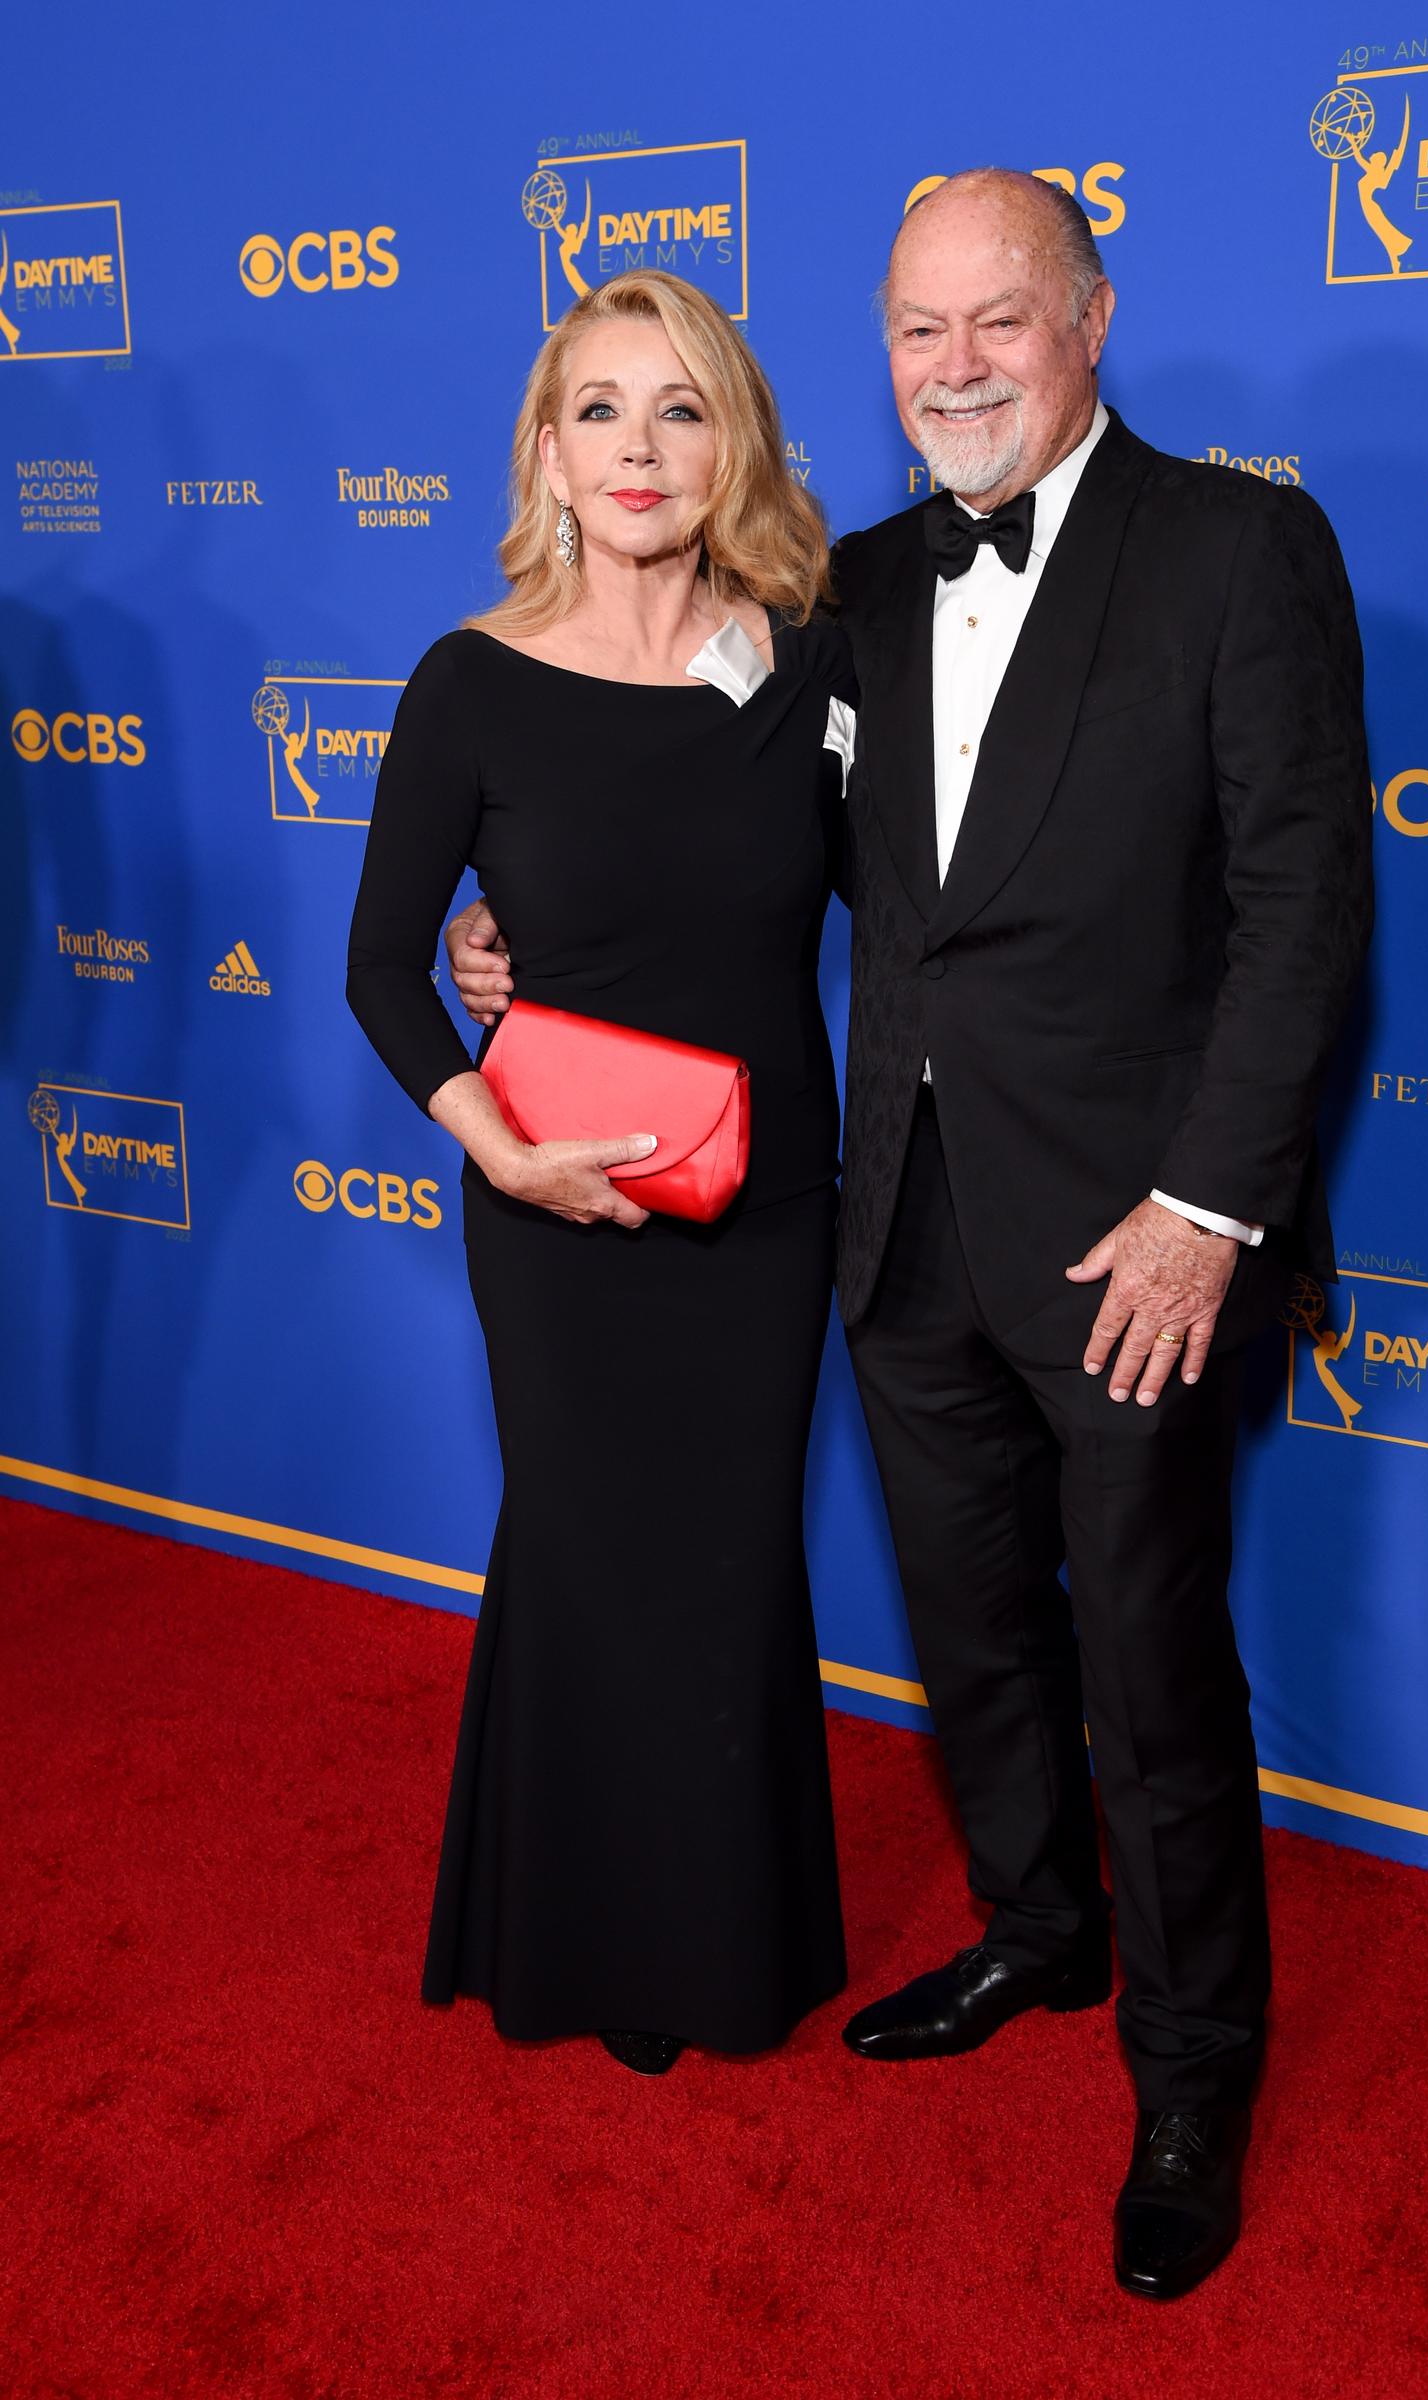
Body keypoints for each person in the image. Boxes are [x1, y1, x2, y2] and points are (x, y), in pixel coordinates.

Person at [448, 171, 1374, 2295]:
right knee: (973, 1644)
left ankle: (1190, 2075)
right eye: (913, 333)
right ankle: (1038, 1942)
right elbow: (682, 832)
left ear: (1091, 318)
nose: (952, 369)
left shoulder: (1241, 550)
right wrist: (520, 941)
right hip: (894, 1232)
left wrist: (1206, 1210)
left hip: (1137, 1236)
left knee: (1148, 1668)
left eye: (997, 323)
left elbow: (1302, 911)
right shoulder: (840, 590)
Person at [347, 269, 855, 2077]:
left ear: (732, 446)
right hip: (549, 1218)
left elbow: (920, 901)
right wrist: (500, 1148)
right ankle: (574, 1936)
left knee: (728, 1563)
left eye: (680, 407)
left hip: (769, 1212)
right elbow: (384, 965)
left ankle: (724, 1948)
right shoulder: (469, 680)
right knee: (582, 1550)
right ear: (547, 456)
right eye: (599, 409)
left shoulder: (808, 659)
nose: (638, 448)